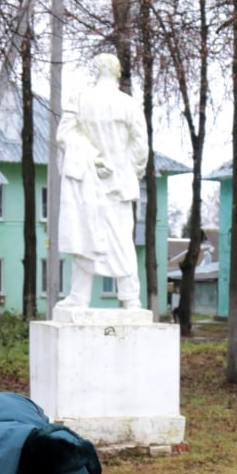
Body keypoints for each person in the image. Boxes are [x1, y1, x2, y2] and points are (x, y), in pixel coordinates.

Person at [54, 52, 149, 311]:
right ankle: (130, 299)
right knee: (120, 239)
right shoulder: (128, 104)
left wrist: (94, 160)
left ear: (96, 70)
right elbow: (141, 146)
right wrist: (128, 172)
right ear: (117, 72)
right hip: (118, 185)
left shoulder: (81, 100)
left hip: (87, 182)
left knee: (85, 237)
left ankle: (80, 296)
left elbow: (65, 135)